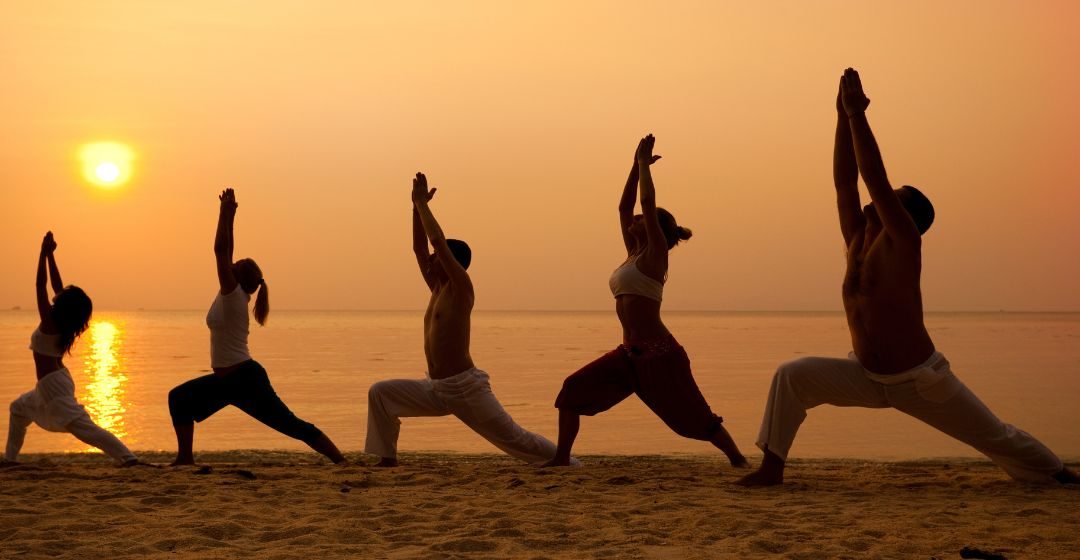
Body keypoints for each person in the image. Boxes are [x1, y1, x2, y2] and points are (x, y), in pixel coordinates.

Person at [736, 68, 1078, 486]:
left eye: (891, 200)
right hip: (865, 375)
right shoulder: (858, 240)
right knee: (792, 375)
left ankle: (1059, 474)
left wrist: (859, 115)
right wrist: (841, 118)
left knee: (995, 436)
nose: (876, 201)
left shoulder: (903, 242)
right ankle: (771, 469)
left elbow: (872, 179)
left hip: (919, 381)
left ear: (904, 217)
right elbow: (845, 183)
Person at [542, 135, 747, 468]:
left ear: (656, 231)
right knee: (572, 390)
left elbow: (647, 205)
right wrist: (633, 166)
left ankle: (737, 459)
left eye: (642, 220)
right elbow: (624, 207)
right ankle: (562, 458)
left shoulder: (655, 255)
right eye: (635, 220)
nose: (634, 219)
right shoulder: (631, 253)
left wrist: (644, 167)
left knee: (693, 418)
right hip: (628, 355)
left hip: (660, 355)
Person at [365, 172, 568, 467]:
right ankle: (387, 460)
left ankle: (566, 463)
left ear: (451, 262)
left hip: (464, 387)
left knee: (515, 438)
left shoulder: (461, 287)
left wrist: (423, 203)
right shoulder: (438, 288)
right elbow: (420, 248)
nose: (431, 260)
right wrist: (413, 207)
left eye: (438, 258)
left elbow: (435, 242)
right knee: (381, 393)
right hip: (436, 388)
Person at [168, 188, 347, 466]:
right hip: (228, 381)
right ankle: (185, 459)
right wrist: (232, 215)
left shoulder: (232, 296)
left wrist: (223, 213)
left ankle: (340, 460)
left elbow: (220, 250)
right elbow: (227, 252)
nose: (230, 264)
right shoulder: (233, 294)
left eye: (234, 266)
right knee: (179, 399)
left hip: (244, 379)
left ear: (237, 278)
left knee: (290, 424)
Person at [3, 232, 141, 467]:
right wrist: (50, 256)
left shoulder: (50, 322)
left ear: (64, 306)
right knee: (18, 410)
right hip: (50, 383)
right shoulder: (61, 323)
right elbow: (56, 286)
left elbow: (41, 285)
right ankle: (10, 460)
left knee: (85, 428)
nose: (60, 292)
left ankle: (129, 458)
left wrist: (41, 253)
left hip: (54, 385)